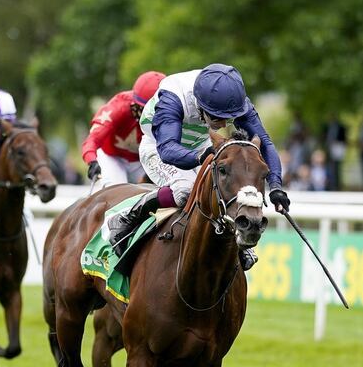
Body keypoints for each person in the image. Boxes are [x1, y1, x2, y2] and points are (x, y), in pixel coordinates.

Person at [106, 63, 289, 270]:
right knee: (185, 189)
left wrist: (276, 186)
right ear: (200, 105)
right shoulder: (173, 97)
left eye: (227, 118)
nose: (223, 124)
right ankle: (129, 216)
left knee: (219, 190)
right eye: (217, 117)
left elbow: (264, 142)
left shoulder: (232, 99)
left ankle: (237, 239)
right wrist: (201, 156)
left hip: (201, 146)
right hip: (158, 148)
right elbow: (167, 149)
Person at [81, 71, 166, 187]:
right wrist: (92, 161)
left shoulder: (173, 113)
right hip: (112, 157)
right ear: (135, 104)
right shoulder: (118, 107)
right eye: (145, 109)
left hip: (144, 158)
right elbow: (92, 139)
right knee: (115, 190)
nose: (150, 115)